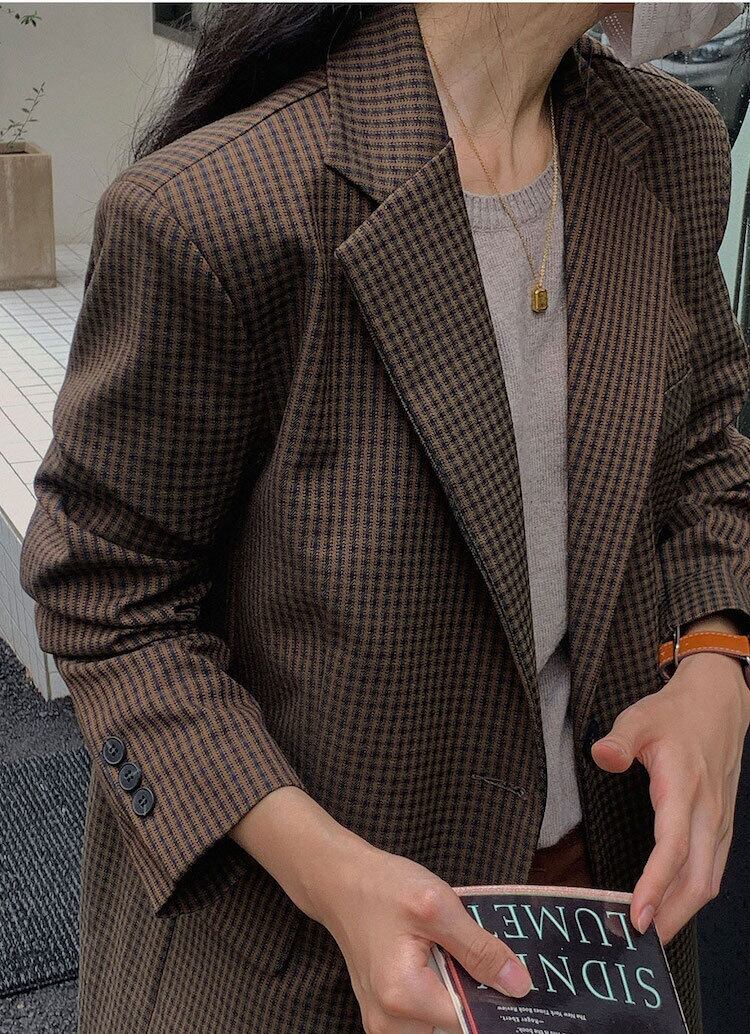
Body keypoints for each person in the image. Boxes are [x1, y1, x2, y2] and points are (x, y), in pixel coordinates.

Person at [18, 4, 750, 1033]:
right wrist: (330, 873)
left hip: (603, 916)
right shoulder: (219, 208)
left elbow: (710, 444)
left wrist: (717, 665)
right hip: (298, 947)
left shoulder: (667, 148)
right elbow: (108, 594)